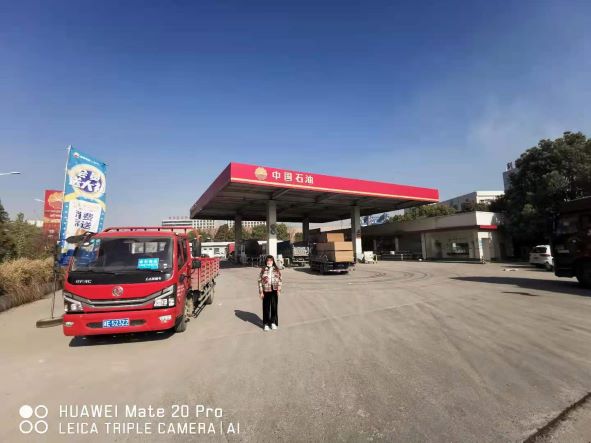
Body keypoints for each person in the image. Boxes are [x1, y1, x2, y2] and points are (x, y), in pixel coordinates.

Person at [258, 255, 282, 331]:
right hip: (266, 290)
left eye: (271, 260)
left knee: (274, 307)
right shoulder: (263, 269)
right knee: (266, 307)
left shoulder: (276, 269)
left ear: (273, 261)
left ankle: (273, 322)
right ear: (266, 261)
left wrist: (279, 290)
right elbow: (259, 281)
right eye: (268, 260)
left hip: (274, 290)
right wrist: (261, 292)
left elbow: (280, 279)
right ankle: (266, 324)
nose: (269, 262)